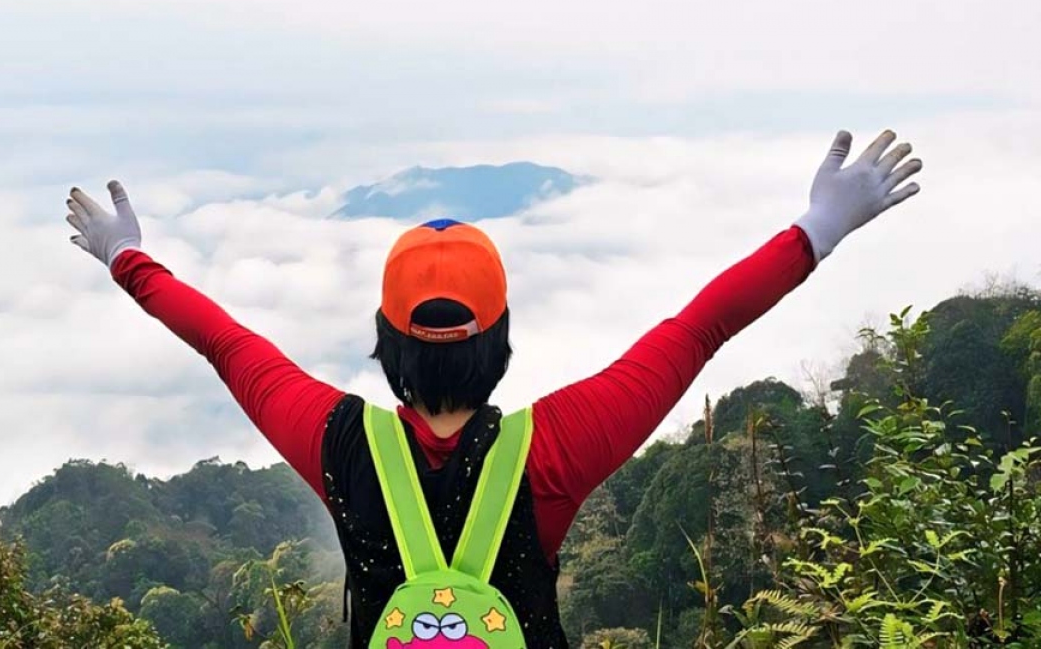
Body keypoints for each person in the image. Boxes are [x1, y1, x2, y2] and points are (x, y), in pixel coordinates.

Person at [65, 129, 923, 648]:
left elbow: (225, 345)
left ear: (385, 342)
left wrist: (125, 256)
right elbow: (699, 329)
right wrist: (821, 226)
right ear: (501, 338)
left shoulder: (336, 441)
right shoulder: (554, 449)